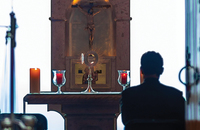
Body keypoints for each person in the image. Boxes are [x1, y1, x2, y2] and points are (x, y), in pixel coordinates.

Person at [121, 51, 185, 130]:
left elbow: (126, 121)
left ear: (142, 70)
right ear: (161, 70)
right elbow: (183, 122)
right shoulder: (176, 95)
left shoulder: (128, 95)